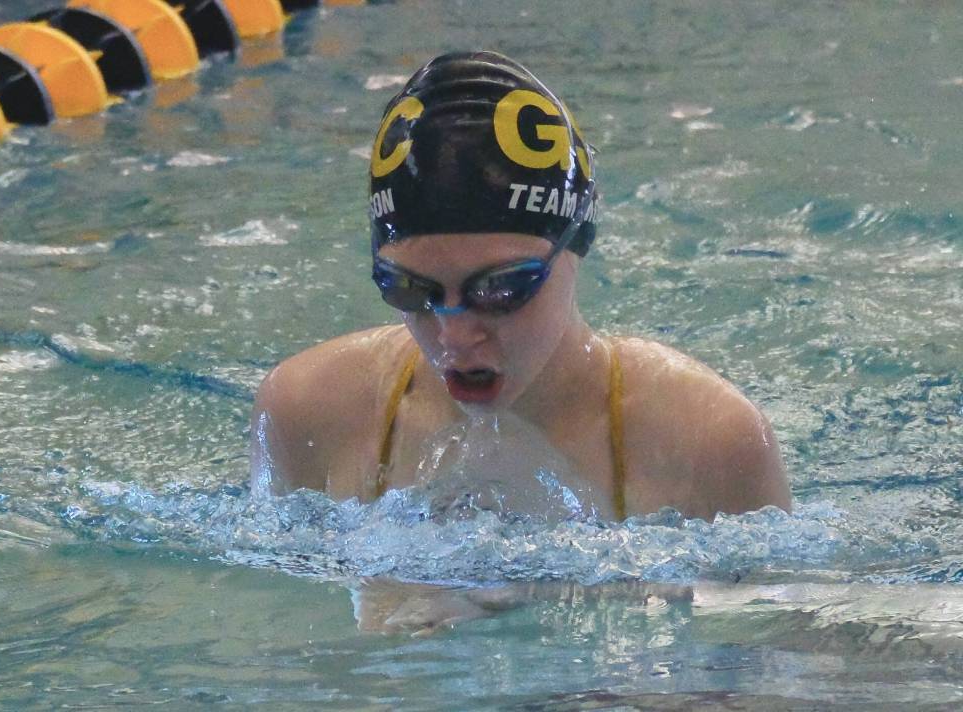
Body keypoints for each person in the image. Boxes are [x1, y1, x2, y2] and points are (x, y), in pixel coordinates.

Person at [251, 50, 791, 523]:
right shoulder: (308, 411)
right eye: (410, 290)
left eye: (500, 290)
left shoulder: (712, 442)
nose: (454, 336)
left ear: (576, 244)